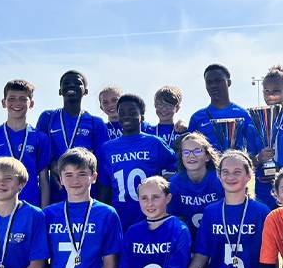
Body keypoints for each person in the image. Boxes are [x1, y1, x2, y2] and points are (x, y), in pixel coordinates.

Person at [166, 132, 226, 268]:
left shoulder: (218, 179)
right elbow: (174, 217)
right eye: (186, 152)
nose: (191, 156)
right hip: (191, 235)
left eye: (197, 151)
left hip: (219, 235)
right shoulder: (176, 183)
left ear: (207, 155)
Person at [97, 94, 177, 230]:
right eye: (122, 113)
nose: (126, 116)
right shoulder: (107, 148)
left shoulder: (154, 143)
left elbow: (176, 168)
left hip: (151, 214)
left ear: (142, 116)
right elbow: (105, 187)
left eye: (132, 112)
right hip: (120, 214)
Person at [36, 70, 109, 203]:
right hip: (55, 193)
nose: (71, 86)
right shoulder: (48, 117)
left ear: (85, 91)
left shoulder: (95, 122)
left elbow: (102, 165)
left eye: (77, 83)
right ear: (60, 90)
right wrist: (56, 167)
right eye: (66, 83)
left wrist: (104, 202)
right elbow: (40, 156)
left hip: (87, 193)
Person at [0, 79, 51, 208]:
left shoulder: (40, 138)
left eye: (23, 99)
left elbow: (44, 180)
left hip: (29, 208)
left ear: (31, 104)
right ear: (3, 103)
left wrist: (43, 213)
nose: (17, 103)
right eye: (12, 98)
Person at [251, 65, 283, 210]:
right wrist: (259, 159)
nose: (271, 95)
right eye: (267, 91)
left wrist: (281, 170)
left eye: (276, 91)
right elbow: (246, 160)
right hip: (263, 191)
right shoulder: (254, 122)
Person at [188, 64, 254, 152]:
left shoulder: (243, 114)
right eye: (209, 82)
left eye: (218, 81)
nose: (213, 85)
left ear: (229, 82)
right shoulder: (197, 117)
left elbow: (253, 150)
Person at [144, 85, 188, 153]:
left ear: (177, 108)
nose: (164, 109)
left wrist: (183, 122)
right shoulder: (147, 130)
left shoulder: (182, 131)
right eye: (160, 104)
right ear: (155, 105)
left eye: (169, 105)